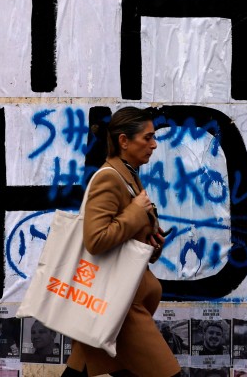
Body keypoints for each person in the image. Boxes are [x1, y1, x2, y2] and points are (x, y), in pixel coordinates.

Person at [62, 107, 180, 377]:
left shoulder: (130, 177)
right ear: (124, 141)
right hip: (122, 307)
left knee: (82, 367)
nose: (154, 144)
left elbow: (129, 238)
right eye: (147, 138)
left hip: (118, 300)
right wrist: (136, 213)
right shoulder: (108, 178)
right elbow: (96, 239)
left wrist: (153, 243)